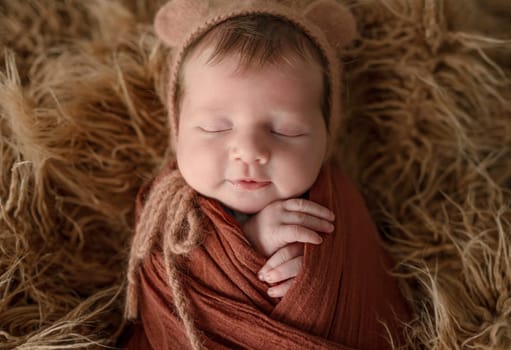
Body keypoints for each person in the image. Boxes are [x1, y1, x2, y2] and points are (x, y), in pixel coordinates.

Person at [123, 0, 411, 349]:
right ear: (178, 131)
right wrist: (250, 245)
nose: (249, 150)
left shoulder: (340, 204)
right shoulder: (165, 211)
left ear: (325, 139)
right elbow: (165, 290)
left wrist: (319, 277)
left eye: (286, 130)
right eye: (215, 127)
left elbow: (372, 286)